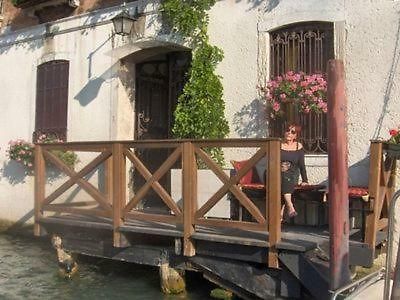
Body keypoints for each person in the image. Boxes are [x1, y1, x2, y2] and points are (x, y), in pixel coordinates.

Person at [255, 123, 309, 219]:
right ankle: (290, 205)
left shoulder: (298, 147)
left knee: (285, 177)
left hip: (291, 175)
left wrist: (305, 180)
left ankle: (279, 215)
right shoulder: (277, 145)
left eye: (292, 132)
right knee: (282, 175)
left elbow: (301, 165)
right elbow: (268, 160)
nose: (289, 133)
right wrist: (278, 166)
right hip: (273, 173)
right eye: (287, 130)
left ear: (295, 135)